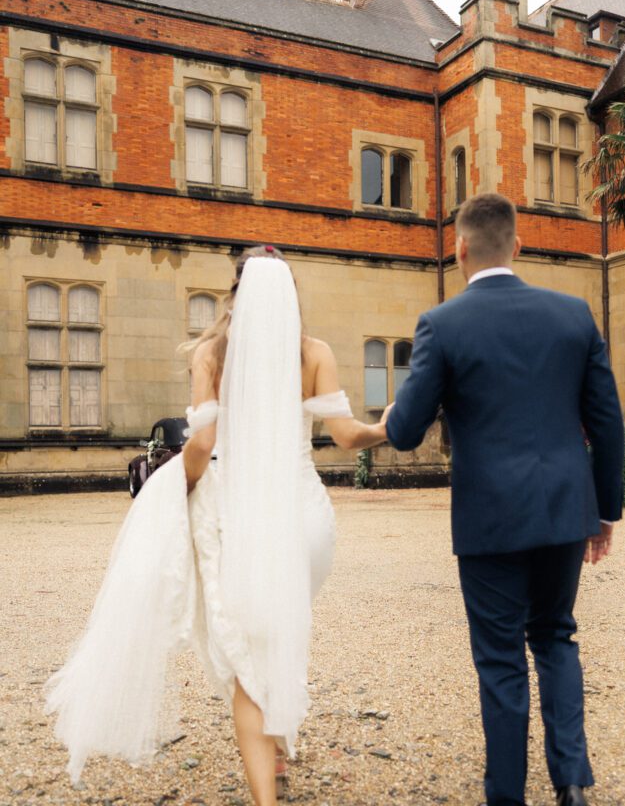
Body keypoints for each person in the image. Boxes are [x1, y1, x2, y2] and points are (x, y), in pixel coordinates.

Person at [46, 246, 388, 806]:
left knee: (246, 652)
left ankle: (266, 795)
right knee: (278, 636)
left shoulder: (211, 354)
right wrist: (391, 424)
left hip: (239, 517)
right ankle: (275, 748)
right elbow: (349, 436)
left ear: (238, 294)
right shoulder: (314, 353)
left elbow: (201, 445)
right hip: (306, 521)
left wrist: (173, 488)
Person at [385, 193, 624, 806]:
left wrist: (397, 411)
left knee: (499, 661)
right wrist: (604, 512)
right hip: (566, 511)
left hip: (489, 517)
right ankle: (571, 783)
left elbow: (407, 431)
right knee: (555, 636)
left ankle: (507, 797)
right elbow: (608, 421)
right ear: (518, 246)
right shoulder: (574, 314)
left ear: (459, 248)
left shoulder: (443, 324)